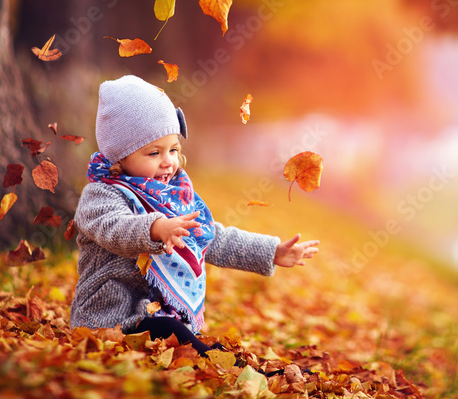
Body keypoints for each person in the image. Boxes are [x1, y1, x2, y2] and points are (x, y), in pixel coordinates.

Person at [69, 74, 319, 355]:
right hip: (108, 319)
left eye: (173, 149)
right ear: (120, 157)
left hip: (150, 313)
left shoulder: (172, 194)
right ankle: (213, 359)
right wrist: (156, 228)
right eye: (154, 153)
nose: (168, 161)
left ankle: (224, 362)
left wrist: (270, 252)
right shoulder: (101, 194)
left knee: (187, 336)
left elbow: (212, 237)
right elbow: (114, 229)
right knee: (170, 330)